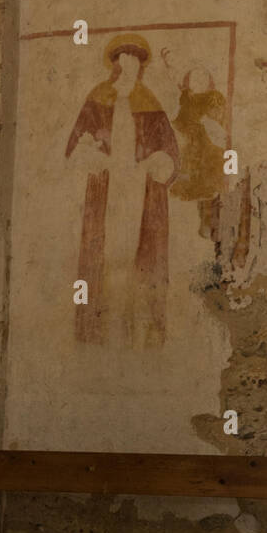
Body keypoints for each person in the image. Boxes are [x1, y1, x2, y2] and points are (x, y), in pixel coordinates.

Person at [66, 34, 179, 347]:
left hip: (139, 190)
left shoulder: (149, 101)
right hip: (106, 187)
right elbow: (77, 142)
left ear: (141, 66)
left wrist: (157, 161)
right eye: (123, 58)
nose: (129, 64)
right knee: (101, 256)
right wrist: (90, 152)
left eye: (135, 60)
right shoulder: (99, 96)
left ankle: (142, 335)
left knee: (141, 257)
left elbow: (168, 149)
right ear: (114, 63)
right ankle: (94, 332)